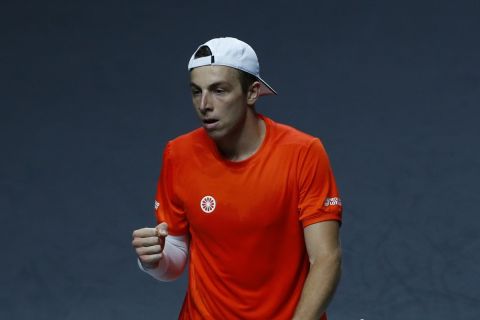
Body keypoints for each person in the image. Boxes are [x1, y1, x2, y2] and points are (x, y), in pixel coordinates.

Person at [132, 37, 343, 320]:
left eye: (219, 90)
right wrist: (155, 259)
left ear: (252, 92)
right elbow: (177, 257)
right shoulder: (177, 154)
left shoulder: (303, 153)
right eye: (196, 92)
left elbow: (326, 259)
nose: (204, 104)